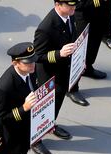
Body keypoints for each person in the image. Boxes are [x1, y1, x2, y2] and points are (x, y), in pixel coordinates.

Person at [35, 0, 85, 134]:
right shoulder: (46, 28)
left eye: (74, 5)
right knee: (47, 105)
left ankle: (50, 124)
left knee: (58, 101)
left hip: (64, 68)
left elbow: (72, 36)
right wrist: (59, 53)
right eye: (69, 5)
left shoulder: (70, 15)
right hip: (50, 73)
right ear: (58, 5)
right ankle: (37, 135)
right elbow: (38, 56)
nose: (73, 8)